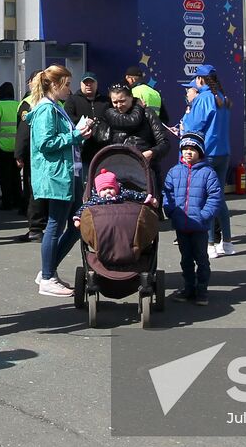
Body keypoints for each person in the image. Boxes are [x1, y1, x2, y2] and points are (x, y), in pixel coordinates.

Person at [26, 65, 94, 297]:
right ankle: (47, 276)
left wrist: (79, 134)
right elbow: (45, 143)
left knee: (76, 224)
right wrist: (76, 134)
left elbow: (61, 140)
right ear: (55, 85)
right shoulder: (46, 109)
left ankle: (48, 270)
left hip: (68, 171)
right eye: (66, 85)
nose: (70, 89)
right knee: (55, 224)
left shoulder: (56, 107)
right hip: (57, 174)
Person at [163, 132, 224, 304]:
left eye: (193, 149)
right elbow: (167, 195)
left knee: (202, 259)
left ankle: (202, 290)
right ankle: (188, 288)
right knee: (186, 260)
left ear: (200, 152)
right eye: (185, 149)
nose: (188, 152)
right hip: (181, 226)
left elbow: (215, 197)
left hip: (200, 227)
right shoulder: (174, 172)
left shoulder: (208, 173)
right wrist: (172, 212)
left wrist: (204, 216)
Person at [182, 66, 233, 257]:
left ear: (201, 79)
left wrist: (185, 120)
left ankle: (210, 244)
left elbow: (193, 126)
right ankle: (227, 242)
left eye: (196, 78)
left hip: (207, 153)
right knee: (218, 198)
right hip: (223, 153)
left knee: (206, 199)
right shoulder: (222, 97)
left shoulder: (203, 99)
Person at [94, 83, 170, 163]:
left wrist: (152, 152)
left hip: (144, 167)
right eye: (115, 102)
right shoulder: (110, 114)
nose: (119, 105)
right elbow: (133, 121)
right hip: (118, 164)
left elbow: (164, 143)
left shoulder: (147, 113)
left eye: (122, 101)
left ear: (131, 97)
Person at [12, 75, 49, 242]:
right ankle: (42, 226)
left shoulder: (33, 103)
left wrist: (19, 154)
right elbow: (24, 130)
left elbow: (23, 132)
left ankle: (36, 228)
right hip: (42, 155)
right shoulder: (31, 103)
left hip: (36, 156)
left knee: (34, 192)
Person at [0, 82, 26, 213]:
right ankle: (18, 199)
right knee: (16, 176)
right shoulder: (18, 105)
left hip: (2, 146)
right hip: (17, 147)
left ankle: (6, 201)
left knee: (4, 176)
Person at [65, 72, 108, 165]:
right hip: (81, 150)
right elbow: (68, 119)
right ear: (81, 84)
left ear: (96, 84)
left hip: (102, 149)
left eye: (91, 82)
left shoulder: (106, 101)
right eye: (85, 83)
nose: (88, 85)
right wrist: (84, 122)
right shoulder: (72, 100)